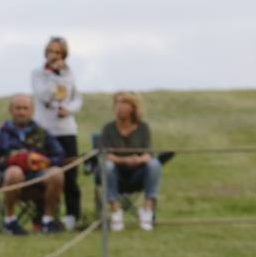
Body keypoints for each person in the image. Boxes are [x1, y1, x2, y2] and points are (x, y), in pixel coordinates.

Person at [0, 94, 66, 235]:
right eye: (18, 108)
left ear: (31, 111)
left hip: (38, 176)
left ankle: (47, 221)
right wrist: (11, 160)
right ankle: (10, 221)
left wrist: (45, 162)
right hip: (9, 178)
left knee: (56, 173)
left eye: (25, 108)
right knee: (15, 172)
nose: (21, 112)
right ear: (11, 110)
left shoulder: (42, 133)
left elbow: (59, 154)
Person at [31, 36, 83, 230]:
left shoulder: (69, 73)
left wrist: (68, 109)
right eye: (51, 51)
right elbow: (44, 94)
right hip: (44, 128)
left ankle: (72, 216)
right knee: (42, 172)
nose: (54, 56)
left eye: (58, 52)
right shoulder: (38, 74)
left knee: (70, 175)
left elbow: (76, 98)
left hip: (66, 129)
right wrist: (54, 75)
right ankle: (43, 216)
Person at [99, 91, 168, 232]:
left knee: (155, 165)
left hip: (138, 175)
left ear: (133, 108)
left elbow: (149, 154)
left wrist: (138, 160)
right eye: (117, 103)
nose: (119, 107)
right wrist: (124, 160)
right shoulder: (108, 129)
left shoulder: (143, 128)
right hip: (115, 175)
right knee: (107, 166)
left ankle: (147, 211)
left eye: (123, 103)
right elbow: (105, 155)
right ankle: (115, 212)